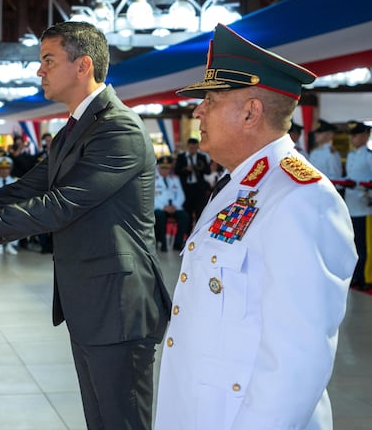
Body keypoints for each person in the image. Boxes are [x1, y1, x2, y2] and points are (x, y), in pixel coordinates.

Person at [0, 21, 171, 430]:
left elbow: (60, 205)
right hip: (90, 300)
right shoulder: (73, 130)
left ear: (83, 66)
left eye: (48, 60)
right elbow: (24, 190)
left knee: (123, 422)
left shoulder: (119, 128)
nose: (39, 71)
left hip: (119, 305)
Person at [153, 24, 357, 430]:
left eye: (209, 100)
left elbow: (296, 359)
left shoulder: (301, 197)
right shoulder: (240, 184)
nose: (197, 112)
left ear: (250, 112)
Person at [343, 120, 372, 290]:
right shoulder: (352, 155)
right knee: (353, 244)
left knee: (364, 245)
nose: (352, 139)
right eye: (352, 136)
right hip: (351, 205)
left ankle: (364, 277)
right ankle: (356, 275)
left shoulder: (369, 156)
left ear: (364, 136)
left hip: (364, 206)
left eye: (356, 135)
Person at [153, 155, 190, 252]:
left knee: (184, 216)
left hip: (174, 207)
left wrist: (175, 206)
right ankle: (163, 243)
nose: (165, 171)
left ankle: (178, 243)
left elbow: (181, 195)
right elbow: (151, 197)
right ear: (158, 167)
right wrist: (163, 207)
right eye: (163, 168)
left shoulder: (174, 179)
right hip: (159, 208)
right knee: (159, 216)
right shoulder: (153, 179)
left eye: (167, 168)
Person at [174, 137, 211, 225]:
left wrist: (200, 168)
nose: (193, 150)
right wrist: (186, 169)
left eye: (195, 148)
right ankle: (187, 233)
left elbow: (208, 171)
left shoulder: (201, 157)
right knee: (187, 211)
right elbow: (177, 171)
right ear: (187, 146)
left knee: (199, 211)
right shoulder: (181, 157)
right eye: (191, 148)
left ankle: (198, 231)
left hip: (198, 188)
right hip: (186, 188)